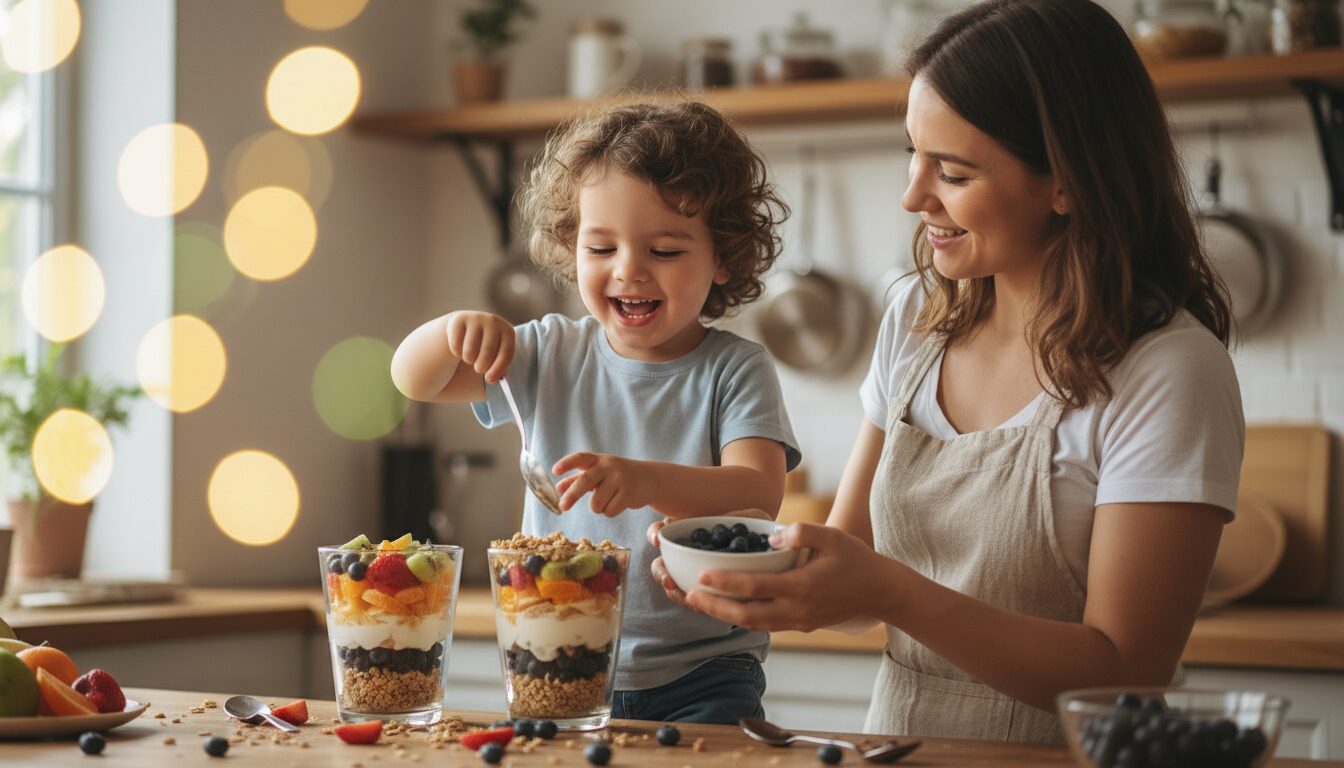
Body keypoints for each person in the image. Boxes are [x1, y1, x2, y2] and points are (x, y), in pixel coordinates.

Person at [651, 0, 1242, 744]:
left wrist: (892, 590)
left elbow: (1125, 671)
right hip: (901, 744)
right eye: (913, 153)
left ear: (1066, 182)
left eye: (953, 171)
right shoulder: (916, 316)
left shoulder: (1170, 370)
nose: (912, 195)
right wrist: (746, 581)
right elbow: (853, 581)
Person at [390, 100, 800, 724]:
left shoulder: (735, 369)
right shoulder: (547, 352)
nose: (628, 270)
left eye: (664, 250)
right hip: (550, 661)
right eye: (601, 246)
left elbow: (757, 495)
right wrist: (451, 331)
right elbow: (414, 379)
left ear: (722, 256)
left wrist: (644, 480)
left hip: (704, 671)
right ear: (569, 247)